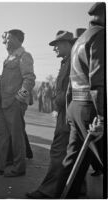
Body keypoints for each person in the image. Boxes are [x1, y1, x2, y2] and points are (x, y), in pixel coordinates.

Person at [54, 2, 105, 198]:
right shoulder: (101, 35)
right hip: (91, 110)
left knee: (73, 163)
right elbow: (98, 81)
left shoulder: (81, 39)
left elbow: (70, 85)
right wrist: (101, 117)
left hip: (76, 106)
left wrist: (69, 111)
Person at [26, 30, 75, 198]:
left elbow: (71, 90)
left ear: (68, 44)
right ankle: (77, 186)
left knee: (58, 152)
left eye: (57, 45)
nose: (54, 48)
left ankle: (48, 191)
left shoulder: (72, 62)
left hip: (68, 114)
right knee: (72, 152)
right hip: (68, 113)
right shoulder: (67, 61)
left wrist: (57, 101)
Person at [0, 29, 36, 177]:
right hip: (4, 102)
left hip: (14, 104)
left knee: (16, 137)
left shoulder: (24, 56)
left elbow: (29, 79)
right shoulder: (10, 58)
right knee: (0, 135)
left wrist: (19, 99)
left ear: (18, 39)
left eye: (8, 39)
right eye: (5, 39)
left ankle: (19, 168)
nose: (5, 42)